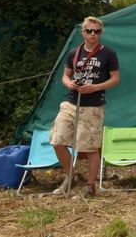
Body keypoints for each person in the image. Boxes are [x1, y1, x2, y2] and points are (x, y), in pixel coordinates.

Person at [51, 16, 120, 197]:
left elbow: (115, 79)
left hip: (93, 106)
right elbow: (65, 76)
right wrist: (69, 84)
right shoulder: (74, 53)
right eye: (89, 31)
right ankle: (71, 176)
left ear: (101, 33)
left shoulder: (108, 54)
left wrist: (95, 87)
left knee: (89, 148)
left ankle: (90, 186)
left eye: (96, 31)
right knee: (57, 141)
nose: (92, 34)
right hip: (71, 102)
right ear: (83, 32)